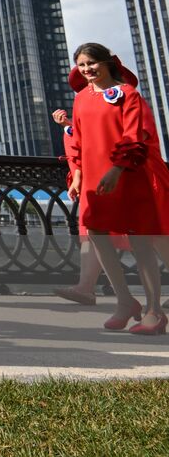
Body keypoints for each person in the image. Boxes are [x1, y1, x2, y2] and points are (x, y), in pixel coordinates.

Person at [66, 43, 169, 334]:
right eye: (81, 65)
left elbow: (134, 136)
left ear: (108, 63)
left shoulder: (128, 95)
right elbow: (78, 140)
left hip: (127, 174)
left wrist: (117, 169)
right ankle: (125, 301)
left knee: (140, 242)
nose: (87, 69)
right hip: (95, 178)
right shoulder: (81, 98)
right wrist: (77, 174)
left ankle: (154, 311)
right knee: (96, 233)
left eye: (92, 63)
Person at [51, 106, 105, 306]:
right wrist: (67, 125)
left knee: (149, 237)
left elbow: (89, 144)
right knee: (91, 234)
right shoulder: (84, 111)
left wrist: (78, 177)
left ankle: (87, 288)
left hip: (104, 179)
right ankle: (86, 287)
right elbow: (82, 144)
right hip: (92, 183)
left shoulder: (120, 100)